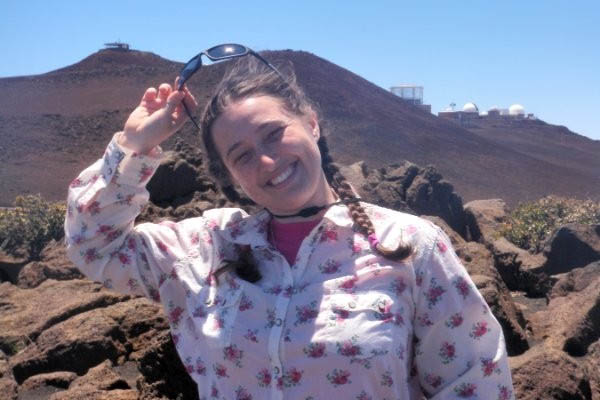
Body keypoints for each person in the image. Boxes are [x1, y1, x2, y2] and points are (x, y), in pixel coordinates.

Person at [65, 53, 514, 399]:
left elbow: (476, 382)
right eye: (240, 155)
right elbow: (94, 246)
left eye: (274, 133)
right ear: (229, 176)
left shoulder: (410, 245)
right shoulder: (203, 248)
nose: (265, 159)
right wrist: (134, 145)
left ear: (312, 124)